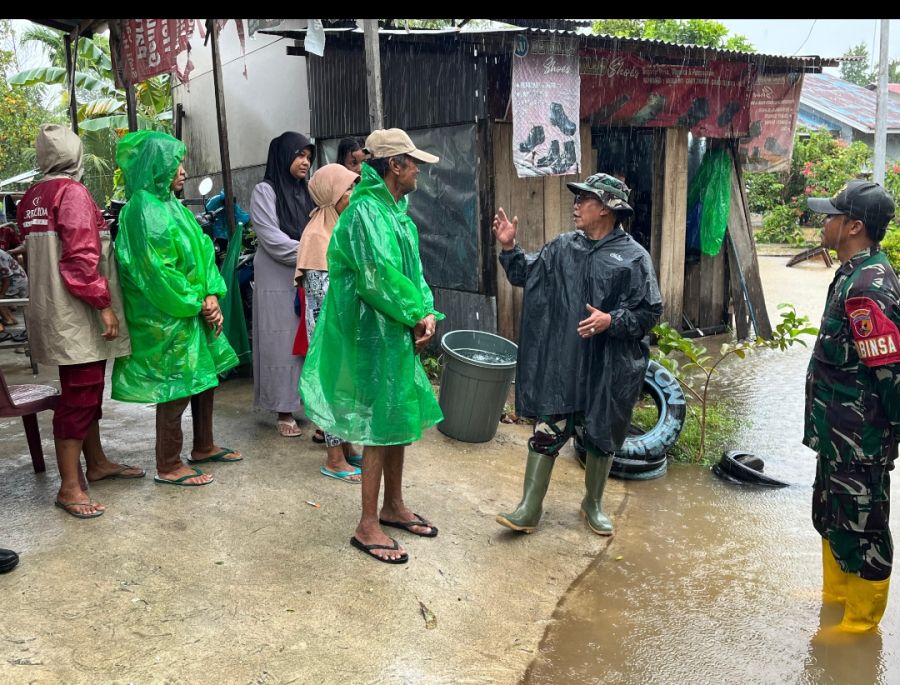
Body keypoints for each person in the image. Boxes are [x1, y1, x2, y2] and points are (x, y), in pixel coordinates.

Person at [300, 128, 443, 564]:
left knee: (396, 417)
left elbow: (413, 272)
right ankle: (367, 524)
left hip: (394, 331)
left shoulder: (397, 212)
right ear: (394, 165)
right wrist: (413, 312)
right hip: (369, 332)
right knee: (378, 426)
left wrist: (427, 310)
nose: (418, 168)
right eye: (412, 161)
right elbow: (376, 277)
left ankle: (393, 505)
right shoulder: (364, 212)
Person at [493, 172, 662, 536]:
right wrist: (510, 248)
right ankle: (529, 508)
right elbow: (527, 274)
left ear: (606, 209)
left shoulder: (634, 258)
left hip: (608, 368)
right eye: (577, 198)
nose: (576, 204)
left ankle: (593, 504)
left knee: (601, 437)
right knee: (546, 432)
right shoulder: (563, 248)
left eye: (585, 199)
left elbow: (650, 312)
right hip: (564, 364)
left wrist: (611, 320)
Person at [17, 124, 137, 518]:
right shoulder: (72, 193)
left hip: (51, 310)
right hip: (77, 312)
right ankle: (70, 486)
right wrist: (103, 304)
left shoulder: (32, 197)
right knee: (81, 394)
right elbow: (81, 258)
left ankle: (97, 462)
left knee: (83, 390)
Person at [112, 130, 241, 487]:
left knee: (204, 376)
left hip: (190, 309)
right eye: (175, 163)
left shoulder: (171, 205)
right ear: (156, 166)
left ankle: (203, 445)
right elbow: (156, 271)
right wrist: (198, 302)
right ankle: (168, 464)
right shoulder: (142, 209)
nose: (183, 170)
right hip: (164, 316)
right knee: (175, 385)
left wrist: (212, 293)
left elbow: (202, 249)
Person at [805, 180, 898, 634]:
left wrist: (890, 438)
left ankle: (860, 626)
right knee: (832, 516)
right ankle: (837, 600)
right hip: (839, 434)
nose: (825, 221)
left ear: (854, 226)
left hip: (860, 440)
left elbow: (891, 375)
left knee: (864, 528)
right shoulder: (849, 273)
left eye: (832, 215)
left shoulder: (867, 288)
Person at [294, 163, 363, 483]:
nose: (353, 194)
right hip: (331, 329)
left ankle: (347, 447)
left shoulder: (338, 229)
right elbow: (322, 299)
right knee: (335, 389)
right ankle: (334, 459)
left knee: (347, 388)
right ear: (330, 195)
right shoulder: (318, 236)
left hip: (345, 325)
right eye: (347, 189)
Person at [251, 132, 316, 437]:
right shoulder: (265, 191)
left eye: (308, 156)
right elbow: (271, 239)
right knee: (281, 342)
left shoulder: (308, 191)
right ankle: (283, 408)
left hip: (306, 274)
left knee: (305, 339)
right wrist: (313, 252)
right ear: (283, 156)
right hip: (277, 274)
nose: (305, 162)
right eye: (299, 155)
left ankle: (303, 403)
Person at [0, 247, 27, 331]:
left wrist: (1, 295)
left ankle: (8, 319)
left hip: (16, 283)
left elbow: (7, 278)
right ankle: (10, 317)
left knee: (0, 298)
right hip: (14, 281)